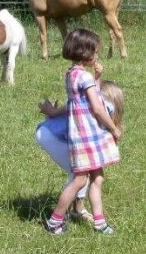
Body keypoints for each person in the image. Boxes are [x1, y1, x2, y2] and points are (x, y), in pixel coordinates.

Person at [43, 28, 122, 235]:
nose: (97, 55)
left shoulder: (72, 75)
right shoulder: (83, 77)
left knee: (97, 178)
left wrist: (97, 77)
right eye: (95, 51)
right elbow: (97, 107)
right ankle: (54, 221)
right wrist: (114, 128)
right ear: (85, 53)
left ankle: (99, 222)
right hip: (89, 137)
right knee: (80, 180)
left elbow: (87, 98)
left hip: (82, 136)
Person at [36, 80, 125, 224]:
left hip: (51, 132)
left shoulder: (93, 110)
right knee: (80, 172)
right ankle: (58, 218)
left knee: (83, 171)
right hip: (51, 135)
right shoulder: (99, 109)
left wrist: (52, 113)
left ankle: (76, 209)